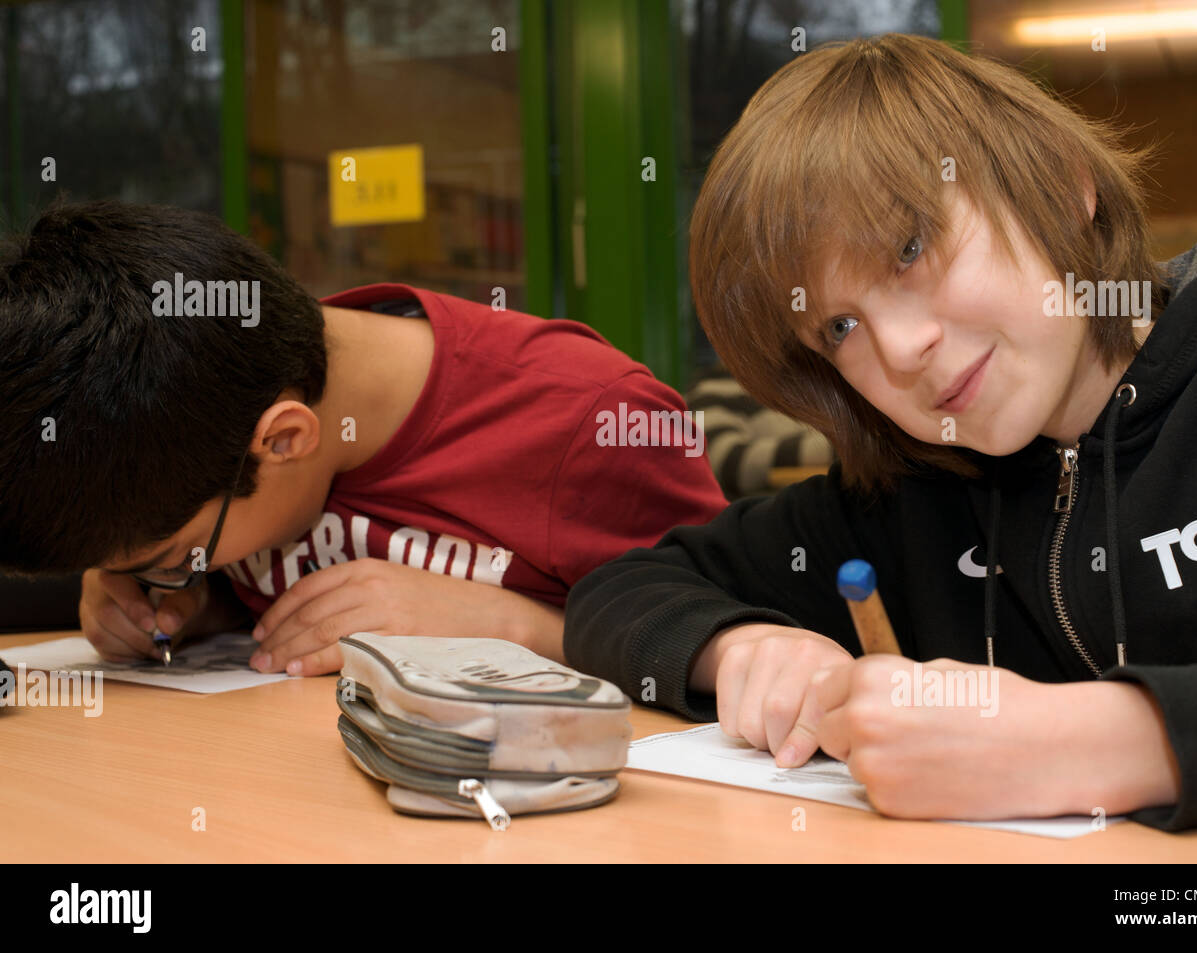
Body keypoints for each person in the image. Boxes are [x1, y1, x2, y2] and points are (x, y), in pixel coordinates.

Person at [564, 33, 1197, 830]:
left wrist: (1096, 742)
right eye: (841, 326)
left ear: (1059, 186)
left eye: (909, 249)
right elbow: (618, 594)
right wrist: (743, 647)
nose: (901, 348)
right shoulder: (912, 491)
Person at [0, 200, 727, 676]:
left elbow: (755, 653)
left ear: (284, 440)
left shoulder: (596, 421)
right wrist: (181, 601)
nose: (163, 571)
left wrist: (517, 626)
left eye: (163, 558)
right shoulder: (214, 391)